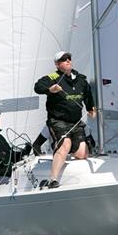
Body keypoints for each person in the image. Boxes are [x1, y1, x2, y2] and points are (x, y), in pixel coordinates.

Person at [34, 51, 96, 189]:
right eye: (63, 59)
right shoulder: (53, 77)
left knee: (82, 153)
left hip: (75, 122)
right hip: (57, 121)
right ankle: (53, 179)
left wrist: (91, 108)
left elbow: (87, 94)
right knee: (65, 144)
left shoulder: (80, 79)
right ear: (57, 64)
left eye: (69, 58)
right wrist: (50, 89)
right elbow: (38, 87)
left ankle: (60, 149)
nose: (68, 60)